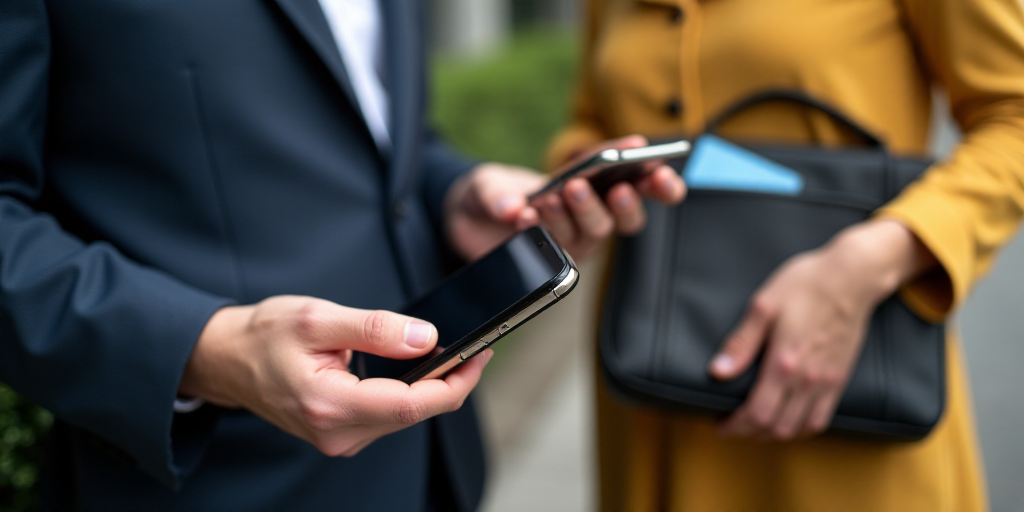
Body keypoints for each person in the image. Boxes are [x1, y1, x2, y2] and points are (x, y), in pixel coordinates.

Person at [0, 1, 684, 510]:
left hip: (437, 471)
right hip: (224, 480)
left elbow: (377, 130)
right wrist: (210, 351)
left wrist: (454, 193)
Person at [547, 0, 1024, 510]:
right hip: (648, 377)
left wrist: (870, 261)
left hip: (845, 378)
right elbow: (592, 119)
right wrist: (577, 180)